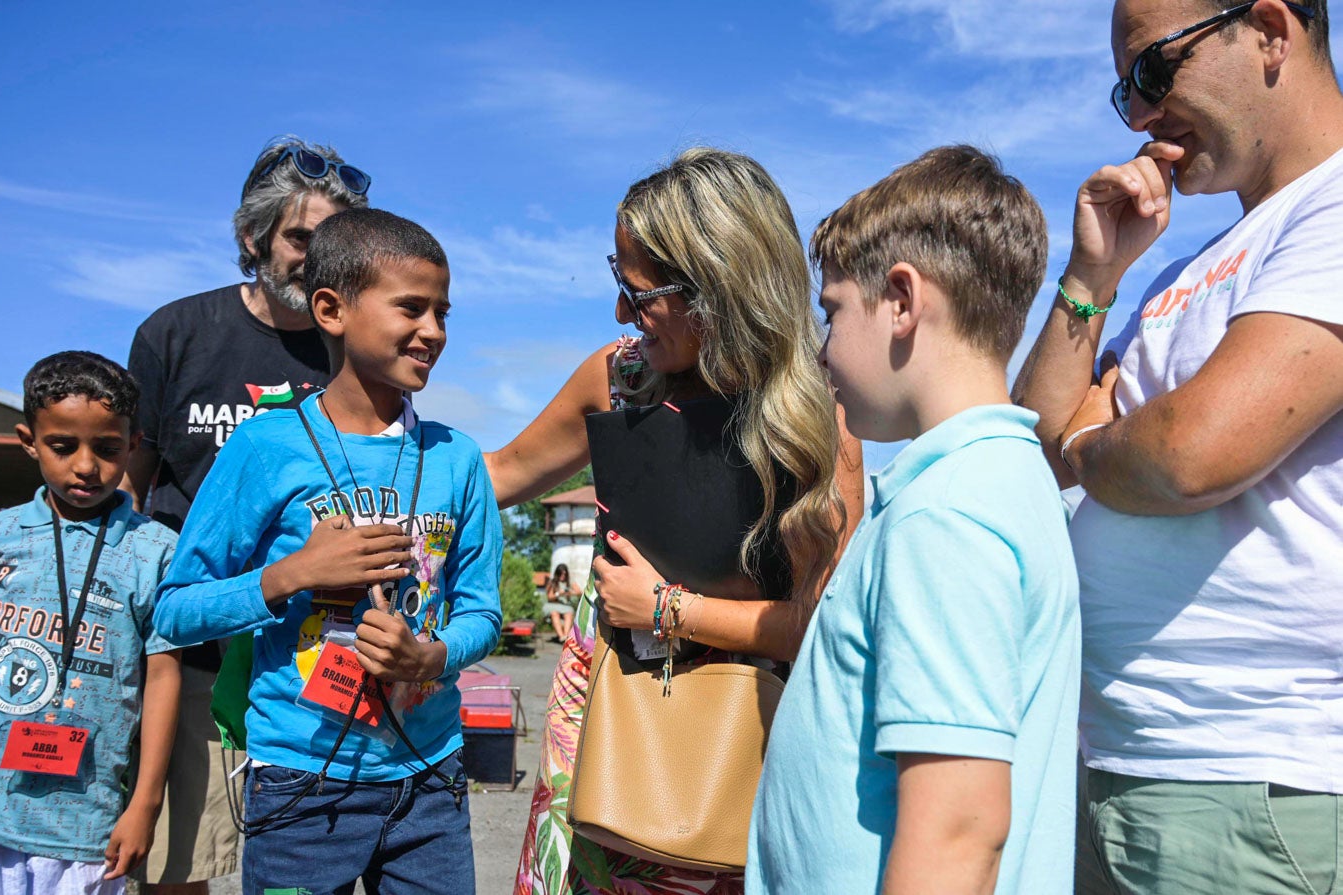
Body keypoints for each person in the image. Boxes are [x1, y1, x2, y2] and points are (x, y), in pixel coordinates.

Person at [1011, 1, 1343, 892]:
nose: (1141, 114)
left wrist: (1093, 439)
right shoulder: (1185, 270)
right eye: (1127, 93)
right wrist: (1091, 276)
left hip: (1247, 791)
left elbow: (1190, 453)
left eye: (1152, 72)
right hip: (1117, 769)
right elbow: (1028, 445)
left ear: (1271, 28)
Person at [486, 147, 865, 895]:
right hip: (601, 728)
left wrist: (670, 610)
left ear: (718, 287)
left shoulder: (818, 421)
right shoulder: (617, 377)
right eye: (616, 282)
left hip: (738, 746)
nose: (621, 313)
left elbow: (823, 629)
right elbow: (495, 474)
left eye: (638, 293)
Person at [747, 146, 1080, 895]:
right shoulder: (995, 476)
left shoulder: (947, 514)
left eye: (830, 311)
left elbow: (956, 833)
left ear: (900, 299)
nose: (822, 351)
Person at [153, 208, 502, 895]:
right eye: (411, 308)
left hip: (429, 779)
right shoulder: (263, 447)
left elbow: (482, 610)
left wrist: (433, 655)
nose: (432, 331)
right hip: (299, 783)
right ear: (330, 308)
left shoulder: (456, 458)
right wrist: (292, 574)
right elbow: (175, 610)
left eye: (443, 313)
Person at [125, 135, 369, 893]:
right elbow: (132, 491)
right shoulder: (176, 333)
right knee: (183, 867)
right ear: (251, 238)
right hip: (193, 656)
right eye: (301, 237)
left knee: (293, 871)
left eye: (332, 240)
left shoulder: (354, 351)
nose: (315, 256)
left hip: (309, 661)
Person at [0, 351, 182, 894]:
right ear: (29, 440)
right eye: (62, 446)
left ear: (132, 444)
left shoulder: (157, 552)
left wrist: (144, 803)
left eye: (106, 449)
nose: (85, 466)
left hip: (85, 814)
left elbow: (164, 675)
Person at [542, 563, 578, 643]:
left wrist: (569, 593)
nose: (563, 576)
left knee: (568, 614)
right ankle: (561, 636)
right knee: (554, 614)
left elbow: (579, 592)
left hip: (565, 606)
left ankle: (566, 637)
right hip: (553, 605)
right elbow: (550, 597)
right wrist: (558, 594)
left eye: (564, 574)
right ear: (557, 574)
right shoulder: (552, 582)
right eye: (561, 574)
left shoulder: (570, 582)